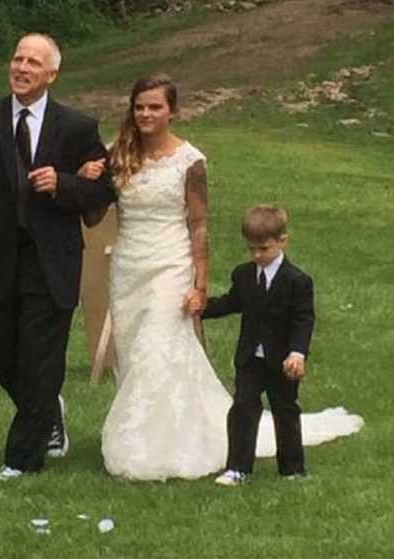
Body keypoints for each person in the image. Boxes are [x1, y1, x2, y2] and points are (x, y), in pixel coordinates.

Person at [78, 74, 363, 482]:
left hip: (170, 264)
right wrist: (87, 179)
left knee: (158, 349)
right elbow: (93, 214)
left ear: (172, 111)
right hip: (129, 266)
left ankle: (156, 449)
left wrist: (199, 284)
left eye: (155, 106)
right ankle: (149, 434)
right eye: (139, 106)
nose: (145, 114)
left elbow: (198, 225)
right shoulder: (117, 154)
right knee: (133, 353)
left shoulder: (189, 160)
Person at [0, 33, 116, 481]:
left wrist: (64, 184)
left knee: (40, 357)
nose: (22, 68)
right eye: (17, 59)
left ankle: (21, 458)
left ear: (51, 74)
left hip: (51, 261)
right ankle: (47, 406)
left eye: (33, 62)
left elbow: (105, 191)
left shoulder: (77, 128)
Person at [203, 205, 313, 486]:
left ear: (282, 241)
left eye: (263, 248)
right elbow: (233, 302)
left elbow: (303, 320)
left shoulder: (297, 281)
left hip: (282, 360)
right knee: (242, 407)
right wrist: (202, 307)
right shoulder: (243, 275)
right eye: (251, 249)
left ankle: (292, 467)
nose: (256, 255)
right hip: (250, 358)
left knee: (285, 409)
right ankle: (238, 467)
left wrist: (297, 353)